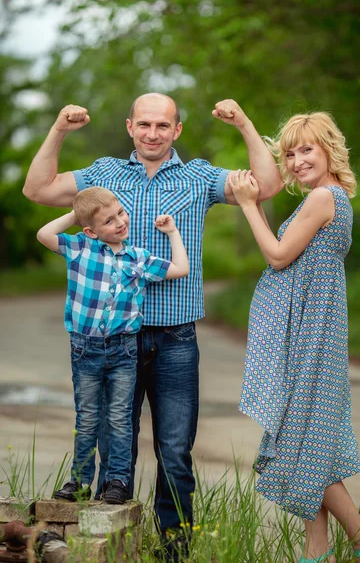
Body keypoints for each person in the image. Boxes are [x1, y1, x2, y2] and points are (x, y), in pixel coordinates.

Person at [23, 94, 282, 559]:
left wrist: (243, 122)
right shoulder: (104, 174)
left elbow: (265, 185)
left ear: (176, 130)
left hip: (175, 338)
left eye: (162, 125)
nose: (152, 133)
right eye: (144, 124)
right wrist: (59, 128)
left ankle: (175, 549)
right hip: (113, 340)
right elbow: (37, 191)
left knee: (176, 451)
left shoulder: (199, 176)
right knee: (111, 444)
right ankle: (103, 546)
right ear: (129, 126)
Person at [227, 111, 360, 563]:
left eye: (307, 149)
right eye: (290, 153)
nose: (298, 160)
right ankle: (317, 551)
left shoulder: (323, 198)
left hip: (315, 333)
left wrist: (248, 205)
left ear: (328, 150)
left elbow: (279, 256)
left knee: (303, 440)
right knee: (308, 439)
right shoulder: (327, 197)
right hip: (311, 328)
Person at [36, 186, 189, 505]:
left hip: (123, 350)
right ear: (91, 230)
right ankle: (79, 481)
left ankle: (117, 479)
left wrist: (173, 232)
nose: (120, 222)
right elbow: (44, 234)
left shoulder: (139, 258)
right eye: (109, 220)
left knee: (120, 417)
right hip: (84, 349)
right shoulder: (79, 247)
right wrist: (77, 215)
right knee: (87, 417)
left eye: (120, 213)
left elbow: (180, 269)